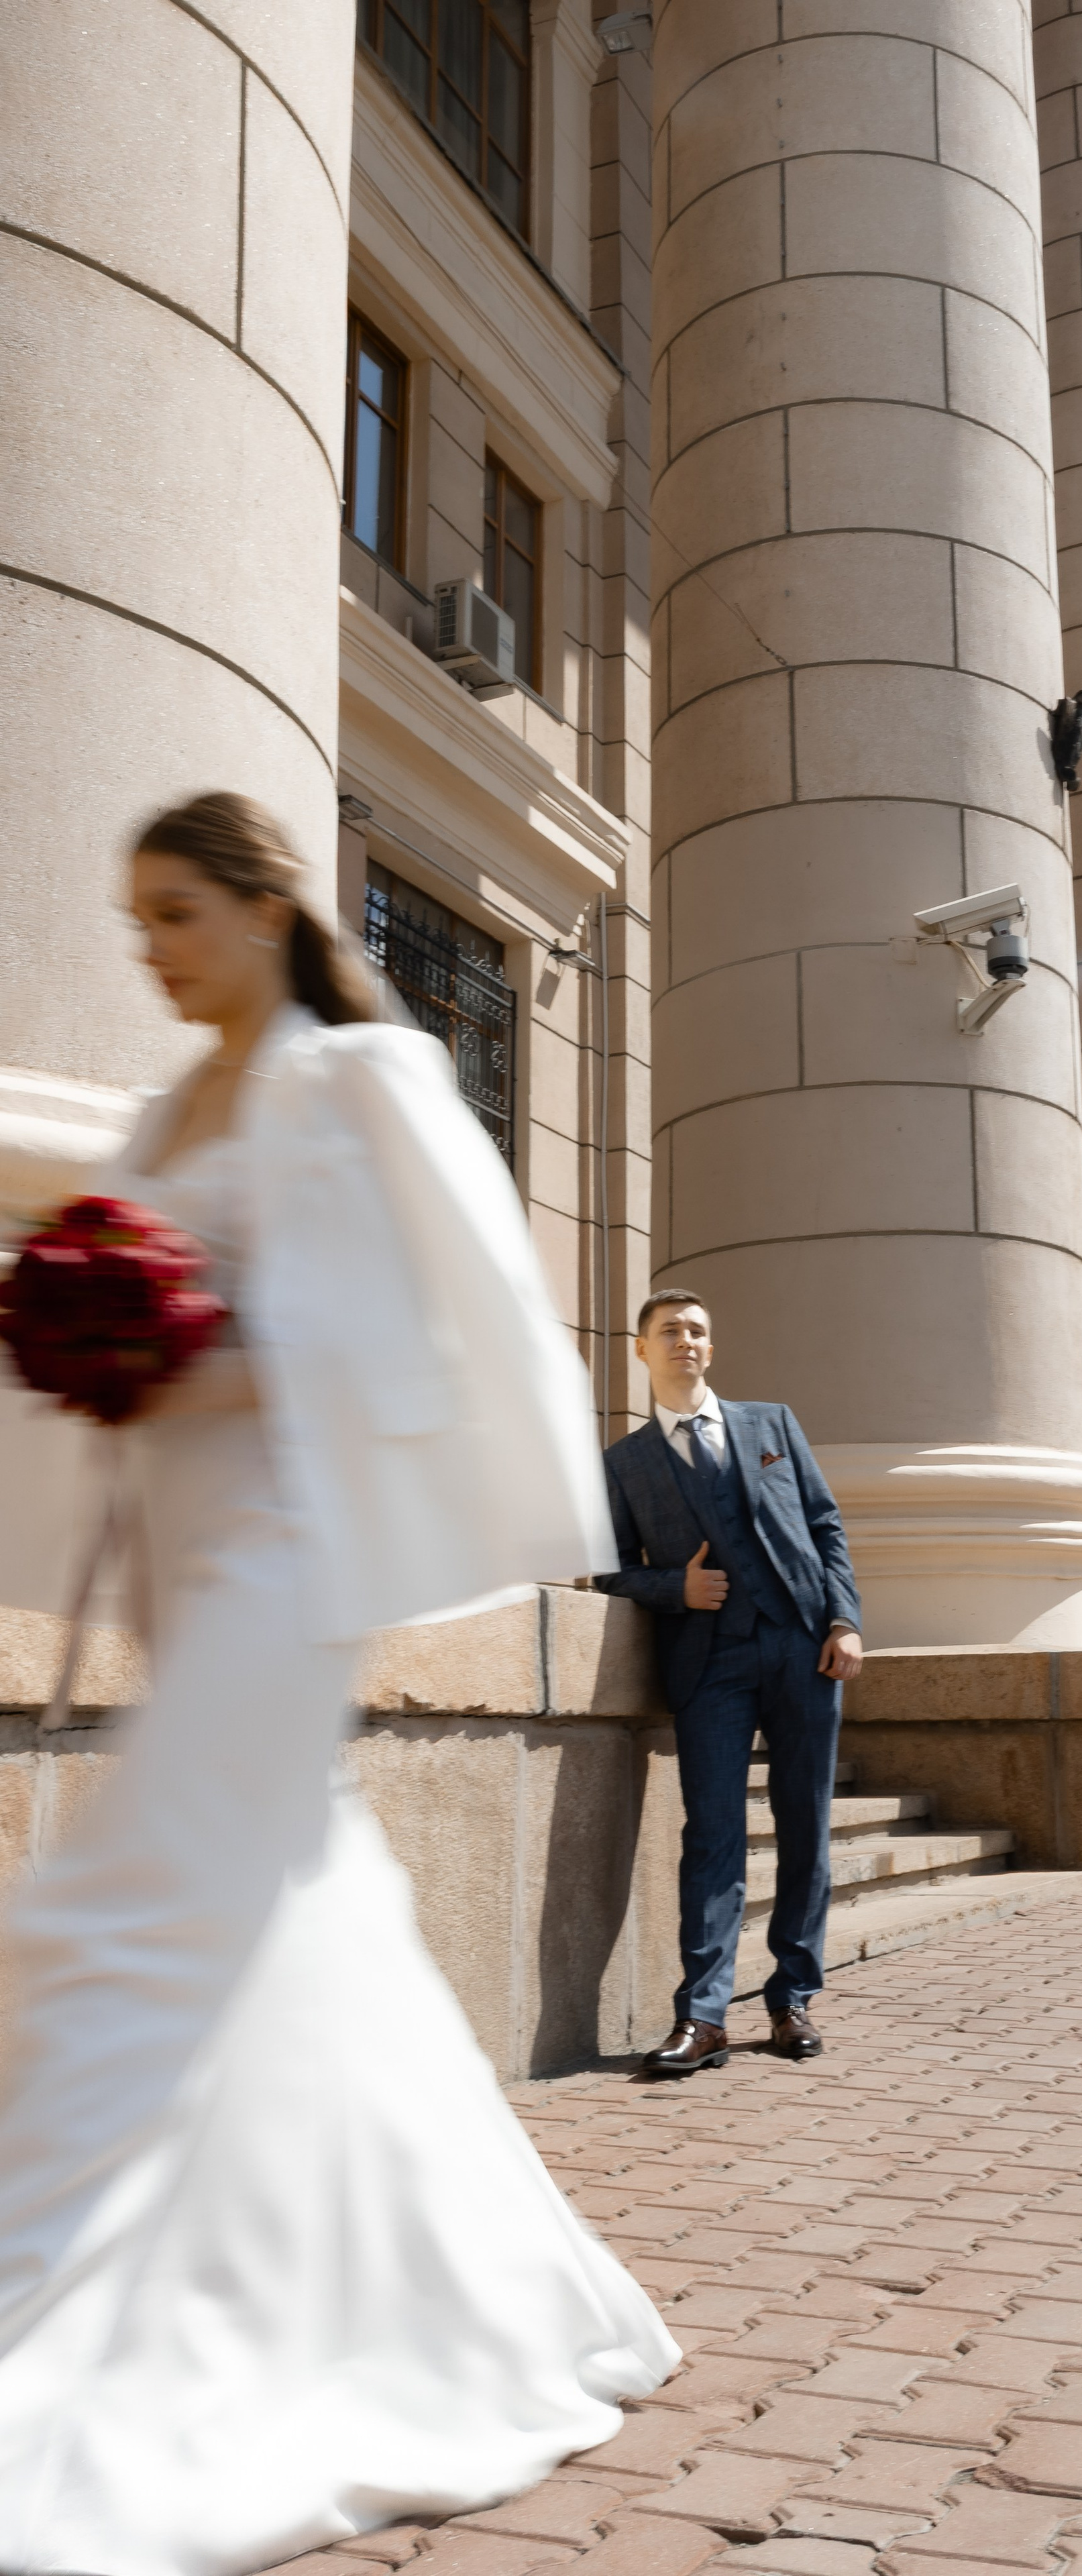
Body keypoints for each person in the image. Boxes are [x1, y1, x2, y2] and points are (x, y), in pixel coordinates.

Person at [0, 795, 678, 2576]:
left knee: (129, 1903)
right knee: (278, 1923)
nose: (146, 945)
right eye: (132, 914)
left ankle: (75, 2306)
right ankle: (442, 2288)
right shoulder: (164, 1111)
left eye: (171, 913)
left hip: (280, 1565)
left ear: (256, 907)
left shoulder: (356, 1081)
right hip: (180, 1562)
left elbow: (423, 1327)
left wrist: (185, 1340)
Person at [595, 1293, 862, 2076]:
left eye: (698, 1330)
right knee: (712, 1835)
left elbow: (826, 1525)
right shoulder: (624, 1463)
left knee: (805, 1826)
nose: (687, 1341)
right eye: (669, 1331)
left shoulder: (772, 1424)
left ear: (712, 1347)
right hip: (709, 1664)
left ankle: (791, 1999)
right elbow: (610, 1572)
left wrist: (844, 1621)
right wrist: (675, 1591)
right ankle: (703, 2015)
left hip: (803, 1648)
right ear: (641, 1351)